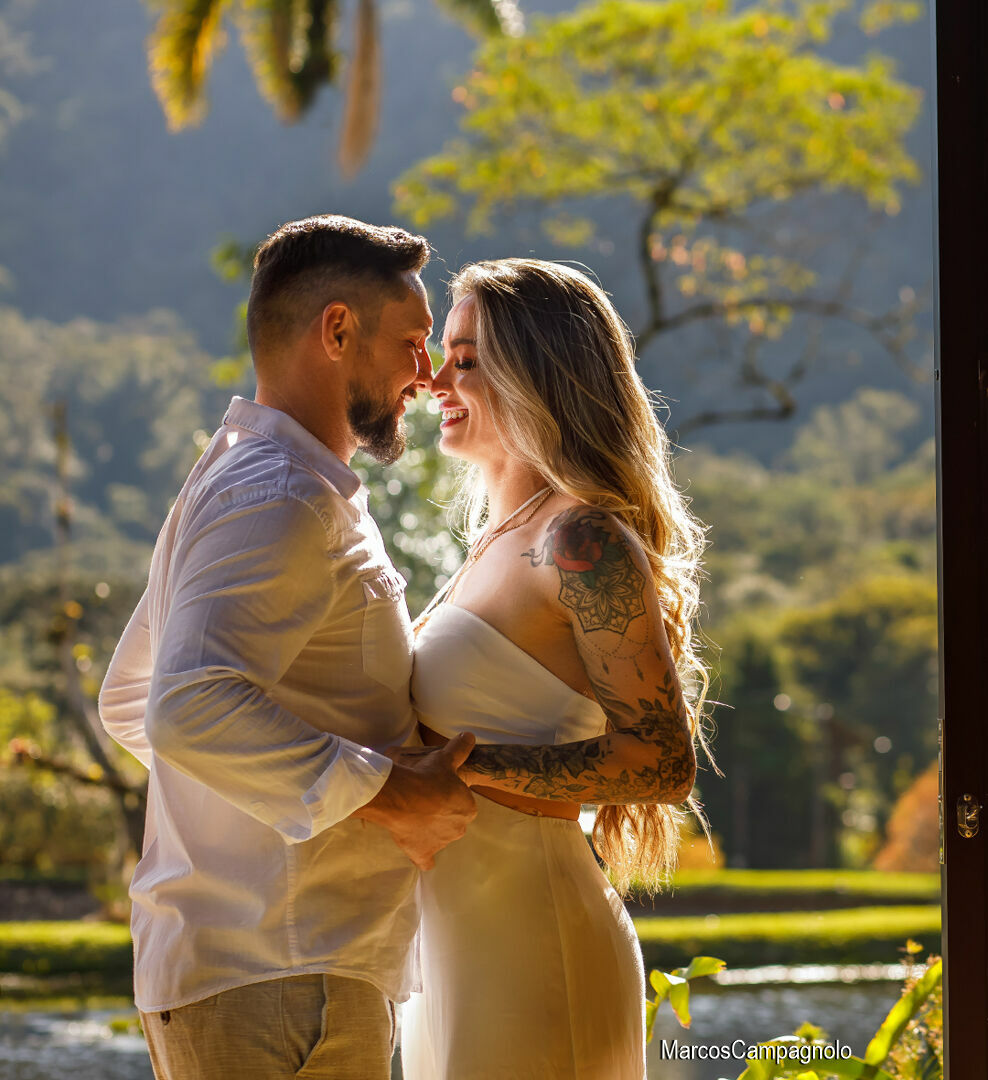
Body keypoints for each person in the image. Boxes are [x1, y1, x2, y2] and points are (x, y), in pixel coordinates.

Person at [97, 214, 479, 1080]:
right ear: (337, 330)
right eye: (413, 342)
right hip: (283, 977)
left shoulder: (251, 479)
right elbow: (184, 708)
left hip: (261, 968)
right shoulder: (280, 496)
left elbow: (134, 702)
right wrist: (386, 797)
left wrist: (245, 817)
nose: (426, 374)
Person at [398, 258, 709, 1080]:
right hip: (456, 946)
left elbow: (662, 764)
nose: (435, 379)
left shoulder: (581, 541)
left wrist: (445, 775)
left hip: (533, 942)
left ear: (537, 374)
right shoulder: (494, 544)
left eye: (465, 358)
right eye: (441, 355)